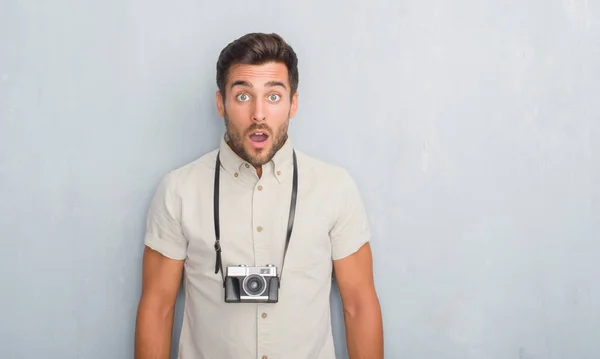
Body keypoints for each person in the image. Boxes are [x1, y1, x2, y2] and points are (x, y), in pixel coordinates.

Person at [134, 32, 384, 359]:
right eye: (242, 96)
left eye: (274, 96)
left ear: (293, 103)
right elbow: (158, 307)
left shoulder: (334, 188)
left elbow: (359, 305)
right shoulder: (179, 190)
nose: (258, 114)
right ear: (221, 102)